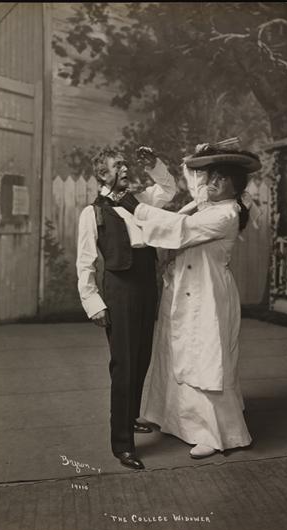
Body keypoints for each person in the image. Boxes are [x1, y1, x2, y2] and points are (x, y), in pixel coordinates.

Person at [118, 144, 261, 458]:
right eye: (213, 176)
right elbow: (195, 182)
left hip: (208, 293)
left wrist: (135, 208)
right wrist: (158, 164)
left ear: (236, 186)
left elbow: (182, 228)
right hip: (185, 287)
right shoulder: (209, 203)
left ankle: (214, 433)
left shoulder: (226, 214)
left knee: (205, 358)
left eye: (222, 179)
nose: (213, 182)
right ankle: (171, 418)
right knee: (176, 351)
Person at [76, 146, 176, 470]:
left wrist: (155, 164)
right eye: (117, 165)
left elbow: (169, 190)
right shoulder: (92, 213)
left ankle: (131, 417)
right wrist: (93, 303)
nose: (124, 169)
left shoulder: (141, 200)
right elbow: (85, 262)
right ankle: (122, 444)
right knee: (124, 364)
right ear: (102, 174)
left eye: (124, 164)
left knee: (142, 357)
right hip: (119, 290)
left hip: (147, 284)